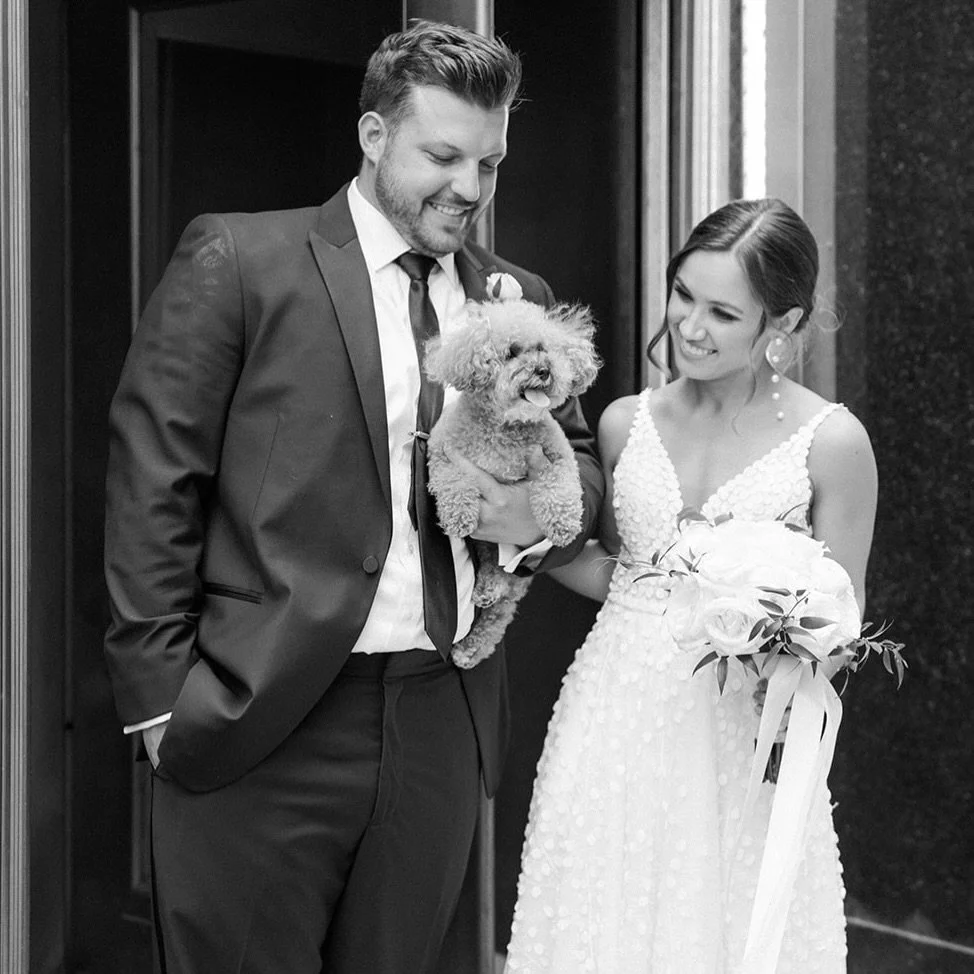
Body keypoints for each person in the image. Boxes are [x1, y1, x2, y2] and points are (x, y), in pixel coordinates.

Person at [103, 20, 603, 974]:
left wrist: (531, 515)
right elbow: (152, 484)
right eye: (444, 155)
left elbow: (575, 467)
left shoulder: (517, 295)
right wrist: (162, 702)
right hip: (260, 712)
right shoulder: (242, 261)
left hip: (439, 716)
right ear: (375, 138)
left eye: (490, 163)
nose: (470, 187)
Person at [504, 198, 877, 973]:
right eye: (682, 295)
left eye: (722, 312)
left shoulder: (832, 442)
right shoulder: (620, 422)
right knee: (597, 915)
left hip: (742, 725)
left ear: (783, 320)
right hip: (613, 709)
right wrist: (523, 530)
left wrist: (776, 639)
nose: (690, 326)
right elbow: (610, 567)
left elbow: (844, 619)